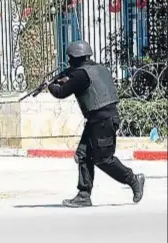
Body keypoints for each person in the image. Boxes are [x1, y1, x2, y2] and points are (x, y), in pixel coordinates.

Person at [47, 40, 145, 208]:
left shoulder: (80, 75)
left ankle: (133, 179)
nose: (69, 61)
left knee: (103, 159)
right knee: (83, 155)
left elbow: (61, 92)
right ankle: (84, 195)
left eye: (70, 58)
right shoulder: (99, 69)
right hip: (98, 119)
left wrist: (50, 85)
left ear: (75, 58)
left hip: (103, 121)